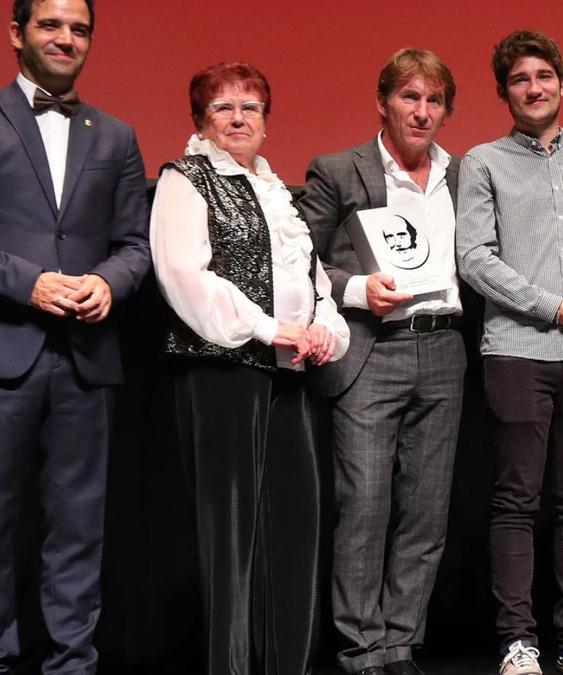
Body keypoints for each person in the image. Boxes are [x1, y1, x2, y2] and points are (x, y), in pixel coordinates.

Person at [150, 61, 349, 675]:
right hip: (222, 376)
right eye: (223, 108)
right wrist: (268, 328)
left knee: (294, 527)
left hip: (287, 376)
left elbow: (314, 284)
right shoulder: (186, 180)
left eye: (251, 107)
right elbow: (184, 278)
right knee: (230, 542)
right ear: (200, 121)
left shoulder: (275, 190)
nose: (239, 119)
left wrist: (325, 331)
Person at [456, 29, 563, 675]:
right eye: (520, 80)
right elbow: (473, 258)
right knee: (516, 498)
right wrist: (551, 305)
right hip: (517, 349)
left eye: (543, 75)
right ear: (505, 93)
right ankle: (517, 641)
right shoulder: (481, 162)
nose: (534, 87)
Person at [0, 1, 150, 671]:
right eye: (51, 24)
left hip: (86, 360)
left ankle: (71, 665)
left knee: (79, 529)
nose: (66, 38)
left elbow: (134, 244)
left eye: (79, 29)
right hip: (0, 354)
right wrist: (29, 283)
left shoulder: (114, 134)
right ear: (16, 32)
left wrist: (111, 281)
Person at [299, 48, 467, 675]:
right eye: (409, 97)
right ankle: (362, 649)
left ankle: (401, 643)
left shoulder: (463, 174)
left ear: (446, 110)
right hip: (372, 349)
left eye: (433, 100)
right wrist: (352, 289)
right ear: (383, 102)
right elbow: (296, 254)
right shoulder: (339, 169)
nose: (421, 112)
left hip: (444, 347)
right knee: (364, 505)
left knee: (426, 511)